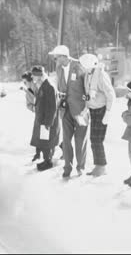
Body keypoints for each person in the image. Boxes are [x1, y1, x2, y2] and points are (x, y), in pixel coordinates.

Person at [49, 45, 89, 179]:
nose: (55, 59)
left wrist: (87, 102)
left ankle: (81, 167)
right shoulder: (59, 69)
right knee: (66, 140)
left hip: (80, 111)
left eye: (56, 57)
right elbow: (60, 87)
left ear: (63, 56)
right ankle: (67, 167)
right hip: (65, 110)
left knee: (80, 140)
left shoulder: (79, 66)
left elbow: (87, 87)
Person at [79, 54, 117, 177]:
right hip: (93, 110)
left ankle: (101, 167)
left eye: (83, 64)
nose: (82, 66)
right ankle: (99, 165)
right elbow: (88, 94)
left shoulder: (101, 75)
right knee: (93, 139)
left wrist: (108, 112)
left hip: (101, 110)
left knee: (97, 139)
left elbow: (111, 94)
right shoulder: (87, 75)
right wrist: (85, 106)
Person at [30, 66, 61, 171]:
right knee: (44, 142)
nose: (32, 78)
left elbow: (52, 107)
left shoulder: (49, 86)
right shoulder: (43, 85)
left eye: (33, 75)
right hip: (43, 120)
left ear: (39, 76)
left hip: (47, 121)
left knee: (47, 143)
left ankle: (48, 162)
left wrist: (48, 123)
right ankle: (46, 160)